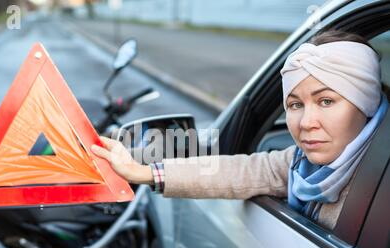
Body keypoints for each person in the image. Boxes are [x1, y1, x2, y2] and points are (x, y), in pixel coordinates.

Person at [90, 30, 389, 230]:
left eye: (326, 101)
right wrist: (139, 172)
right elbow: (234, 169)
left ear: (366, 102)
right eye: (295, 105)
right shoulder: (299, 164)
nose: (307, 122)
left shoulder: (381, 180)